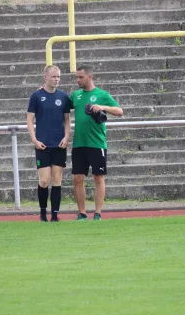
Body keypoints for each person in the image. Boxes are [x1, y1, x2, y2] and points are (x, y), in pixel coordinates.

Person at [70, 65, 123, 221]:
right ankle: (82, 213)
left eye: (81, 77)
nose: (78, 80)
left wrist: (102, 107)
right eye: (77, 77)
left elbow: (119, 111)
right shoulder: (75, 95)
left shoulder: (102, 94)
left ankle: (98, 213)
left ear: (90, 77)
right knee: (78, 178)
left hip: (97, 143)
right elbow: (61, 103)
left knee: (98, 177)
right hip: (79, 143)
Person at [26, 65, 71, 222]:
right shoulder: (36, 96)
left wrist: (66, 137)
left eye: (58, 77)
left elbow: (67, 120)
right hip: (43, 145)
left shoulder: (64, 97)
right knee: (44, 180)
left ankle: (55, 215)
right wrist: (35, 140)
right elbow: (30, 120)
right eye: (53, 76)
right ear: (45, 77)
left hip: (59, 144)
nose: (56, 79)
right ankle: (43, 213)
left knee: (57, 179)